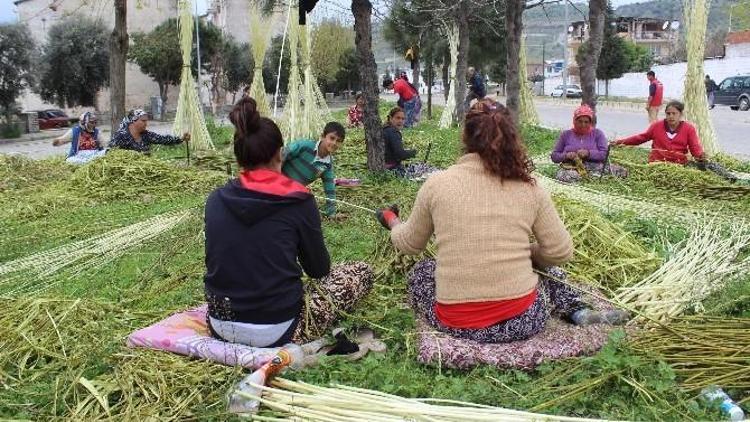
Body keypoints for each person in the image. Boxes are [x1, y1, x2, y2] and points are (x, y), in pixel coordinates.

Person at [374, 99, 629, 344]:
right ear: (512, 137)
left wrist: (392, 221)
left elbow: (410, 244)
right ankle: (577, 310)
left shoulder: (437, 184)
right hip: (523, 321)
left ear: (466, 137)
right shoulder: (530, 187)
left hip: (457, 323)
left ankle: (574, 310)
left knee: (423, 272)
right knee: (548, 269)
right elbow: (560, 252)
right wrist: (526, 253)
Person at [203, 97, 373, 348]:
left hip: (219, 323)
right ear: (280, 154)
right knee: (360, 272)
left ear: (240, 157)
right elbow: (318, 270)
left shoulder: (215, 199)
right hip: (279, 327)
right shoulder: (299, 201)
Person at [612, 100, 736, 181]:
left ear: (680, 114)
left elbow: (695, 148)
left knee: (707, 168)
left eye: (674, 113)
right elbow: (640, 138)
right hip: (657, 164)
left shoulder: (688, 128)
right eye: (668, 113)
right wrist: (619, 142)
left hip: (679, 165)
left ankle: (728, 178)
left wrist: (701, 156)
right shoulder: (657, 126)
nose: (671, 116)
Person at [281, 122, 345, 218]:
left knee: (306, 207)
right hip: (275, 182)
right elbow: (281, 156)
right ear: (322, 136)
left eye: (338, 141)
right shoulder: (304, 146)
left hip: (292, 192)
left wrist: (331, 213)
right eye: (332, 138)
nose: (334, 143)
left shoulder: (327, 165)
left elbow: (330, 189)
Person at [550, 105, 628, 183]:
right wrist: (566, 156)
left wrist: (588, 153)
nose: (583, 125)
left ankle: (591, 178)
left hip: (594, 166)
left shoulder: (598, 134)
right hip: (572, 167)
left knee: (621, 172)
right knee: (567, 177)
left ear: (590, 122)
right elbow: (554, 156)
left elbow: (604, 154)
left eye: (586, 122)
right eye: (580, 121)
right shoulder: (566, 135)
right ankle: (584, 179)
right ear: (574, 121)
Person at [109, 109, 190, 153]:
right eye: (143, 121)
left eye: (146, 121)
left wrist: (180, 139)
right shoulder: (121, 136)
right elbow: (112, 153)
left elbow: (162, 139)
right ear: (133, 121)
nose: (146, 123)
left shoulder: (146, 135)